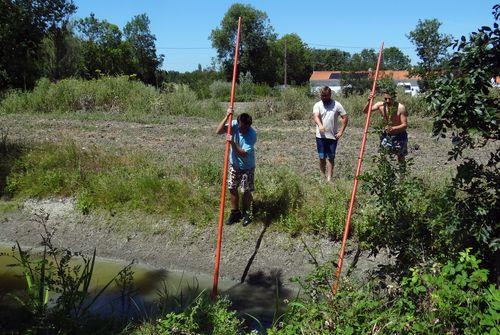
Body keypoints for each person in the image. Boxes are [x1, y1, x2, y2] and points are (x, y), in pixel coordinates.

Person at [216, 108, 257, 226]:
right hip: (234, 164)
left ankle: (247, 214)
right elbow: (218, 131)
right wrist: (227, 116)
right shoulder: (233, 124)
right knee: (232, 187)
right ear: (238, 123)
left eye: (246, 128)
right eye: (242, 127)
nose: (243, 130)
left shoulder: (252, 135)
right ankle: (235, 213)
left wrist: (232, 143)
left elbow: (242, 153)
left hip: (247, 167)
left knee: (246, 190)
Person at [312, 86, 348, 181]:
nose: (324, 98)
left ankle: (329, 179)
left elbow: (345, 117)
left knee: (331, 158)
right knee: (322, 157)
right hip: (320, 136)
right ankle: (323, 175)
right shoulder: (317, 105)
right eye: (322, 96)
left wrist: (341, 132)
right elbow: (316, 116)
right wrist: (320, 125)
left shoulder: (337, 105)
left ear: (330, 95)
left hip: (332, 136)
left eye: (326, 96)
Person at [363, 88, 408, 164]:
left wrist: (393, 128)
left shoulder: (400, 108)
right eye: (385, 98)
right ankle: (386, 173)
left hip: (399, 135)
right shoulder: (380, 105)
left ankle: (402, 175)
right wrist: (369, 101)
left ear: (394, 97)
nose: (387, 101)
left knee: (400, 157)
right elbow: (365, 111)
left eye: (389, 99)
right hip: (386, 135)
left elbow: (405, 125)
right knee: (382, 155)